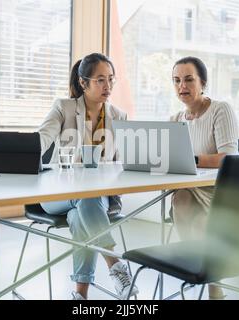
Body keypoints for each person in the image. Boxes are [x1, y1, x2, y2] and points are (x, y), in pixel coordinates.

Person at [37, 53, 138, 300]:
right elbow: (41, 139)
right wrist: (23, 151)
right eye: (100, 80)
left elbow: (127, 162)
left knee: (82, 212)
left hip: (97, 198)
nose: (108, 86)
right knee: (87, 200)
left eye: (111, 80)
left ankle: (79, 296)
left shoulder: (119, 116)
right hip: (57, 194)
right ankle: (115, 265)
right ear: (83, 83)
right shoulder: (64, 108)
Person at [169, 56, 239, 299]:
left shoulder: (220, 110)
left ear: (203, 83)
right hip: (189, 189)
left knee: (201, 224)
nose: (182, 86)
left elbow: (228, 157)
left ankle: (212, 286)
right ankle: (197, 267)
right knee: (180, 199)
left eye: (189, 80)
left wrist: (191, 158)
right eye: (177, 80)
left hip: (221, 192)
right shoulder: (175, 120)